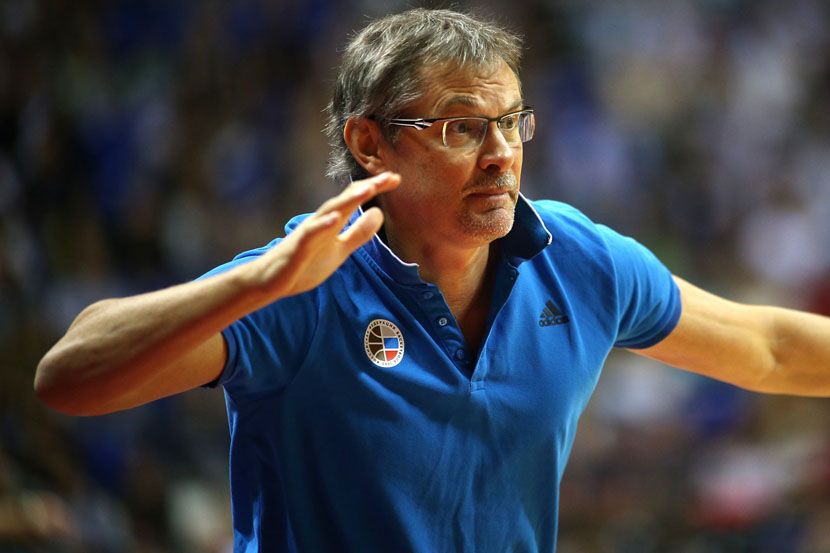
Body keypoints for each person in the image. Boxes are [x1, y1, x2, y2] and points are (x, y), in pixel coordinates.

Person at [34, 8, 830, 552]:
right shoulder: (303, 281)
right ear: (369, 143)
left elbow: (766, 347)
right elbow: (70, 377)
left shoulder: (577, 257)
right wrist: (255, 283)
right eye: (461, 127)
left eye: (511, 121)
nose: (502, 153)